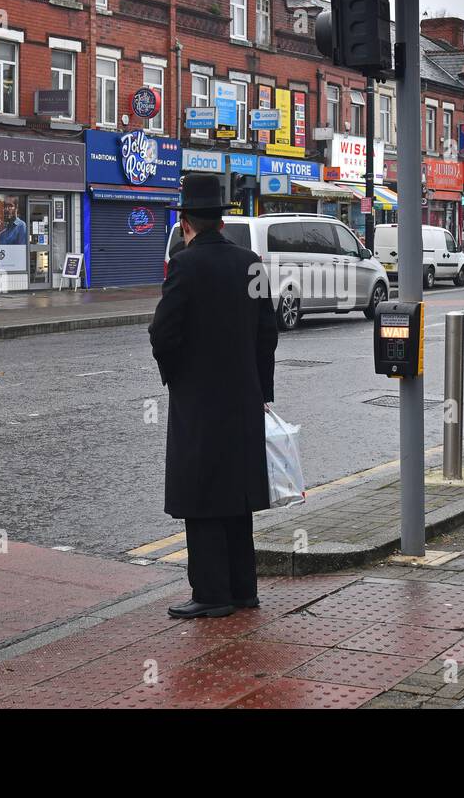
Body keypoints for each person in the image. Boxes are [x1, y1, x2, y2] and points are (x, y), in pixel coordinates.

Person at [149, 173, 278, 619]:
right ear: (220, 221)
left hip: (200, 401)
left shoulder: (185, 265)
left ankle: (211, 593)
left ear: (186, 222)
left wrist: (177, 377)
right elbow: (268, 331)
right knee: (238, 495)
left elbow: (162, 332)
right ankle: (244, 590)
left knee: (202, 494)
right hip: (244, 397)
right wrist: (262, 388)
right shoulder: (252, 261)